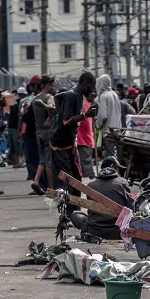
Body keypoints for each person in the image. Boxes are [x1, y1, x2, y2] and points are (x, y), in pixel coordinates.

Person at [50, 71, 97, 216]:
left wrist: (57, 110)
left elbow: (57, 96)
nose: (93, 89)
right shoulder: (72, 95)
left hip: (70, 143)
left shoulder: (77, 96)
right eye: (92, 85)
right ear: (85, 84)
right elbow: (66, 121)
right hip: (60, 144)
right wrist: (85, 115)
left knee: (77, 177)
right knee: (68, 179)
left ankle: (74, 210)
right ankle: (68, 212)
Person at [70, 156, 133, 240]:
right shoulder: (123, 182)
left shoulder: (91, 184)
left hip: (94, 230)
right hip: (117, 231)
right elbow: (131, 208)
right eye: (117, 168)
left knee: (75, 215)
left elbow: (90, 212)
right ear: (112, 167)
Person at [31, 76, 56, 195]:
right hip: (48, 132)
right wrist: (51, 115)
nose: (54, 88)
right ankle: (51, 189)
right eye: (53, 85)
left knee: (42, 160)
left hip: (38, 132)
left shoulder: (35, 98)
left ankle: (36, 181)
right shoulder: (49, 97)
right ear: (48, 85)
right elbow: (51, 108)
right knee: (49, 162)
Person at [19, 76, 41, 181]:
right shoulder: (49, 97)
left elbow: (24, 118)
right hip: (41, 133)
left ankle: (37, 181)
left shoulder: (28, 100)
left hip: (31, 132)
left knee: (32, 158)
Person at [95, 75, 121, 159]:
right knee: (116, 154)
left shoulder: (104, 96)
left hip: (108, 131)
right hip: (117, 130)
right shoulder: (114, 94)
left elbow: (103, 116)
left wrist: (98, 125)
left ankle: (111, 171)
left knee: (110, 156)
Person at [77, 92, 96, 180]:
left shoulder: (83, 105)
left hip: (84, 139)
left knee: (86, 163)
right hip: (86, 138)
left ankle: (94, 181)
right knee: (85, 162)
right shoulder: (86, 105)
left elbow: (86, 124)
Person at [8, 87, 27, 168]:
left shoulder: (13, 105)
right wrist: (19, 131)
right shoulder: (21, 104)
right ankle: (17, 163)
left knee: (12, 146)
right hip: (15, 128)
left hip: (10, 127)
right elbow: (20, 119)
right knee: (17, 146)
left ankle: (14, 163)